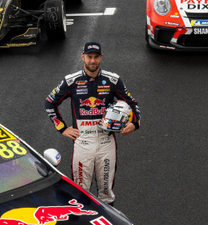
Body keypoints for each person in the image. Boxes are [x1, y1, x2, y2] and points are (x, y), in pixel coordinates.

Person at [45, 42, 140, 205]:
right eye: (89, 57)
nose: (92, 61)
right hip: (82, 143)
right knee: (80, 192)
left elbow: (132, 103)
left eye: (96, 57)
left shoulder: (112, 80)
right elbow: (49, 102)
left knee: (106, 193)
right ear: (83, 57)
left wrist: (134, 123)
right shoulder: (71, 81)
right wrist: (62, 128)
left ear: (101, 58)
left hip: (106, 143)